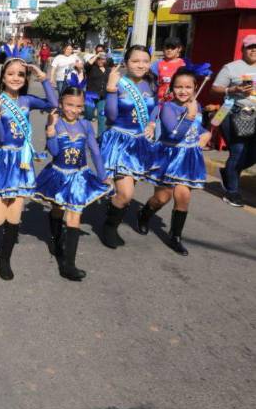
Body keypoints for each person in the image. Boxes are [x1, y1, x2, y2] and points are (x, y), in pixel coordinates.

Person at [0, 58, 56, 280]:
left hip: (21, 161)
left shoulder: (27, 100)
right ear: (2, 77)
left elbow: (53, 104)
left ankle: (4, 259)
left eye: (21, 74)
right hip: (0, 161)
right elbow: (1, 138)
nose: (15, 78)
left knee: (14, 217)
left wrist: (43, 78)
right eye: (11, 73)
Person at [34, 87, 112, 281]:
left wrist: (103, 176)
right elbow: (54, 152)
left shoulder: (85, 124)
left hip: (79, 176)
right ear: (61, 104)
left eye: (78, 106)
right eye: (69, 105)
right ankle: (55, 239)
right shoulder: (55, 122)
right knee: (57, 209)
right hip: (59, 175)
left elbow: (94, 151)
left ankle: (68, 265)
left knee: (74, 216)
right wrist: (50, 131)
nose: (74, 110)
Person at [138, 68, 211, 255]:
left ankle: (175, 237)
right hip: (169, 156)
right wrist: (190, 115)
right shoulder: (168, 108)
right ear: (172, 88)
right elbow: (174, 133)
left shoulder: (196, 104)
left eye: (188, 87)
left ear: (195, 87)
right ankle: (144, 214)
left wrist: (206, 134)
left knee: (183, 196)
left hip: (188, 158)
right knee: (162, 198)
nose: (183, 91)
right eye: (179, 87)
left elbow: (197, 129)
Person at [99, 45, 158, 248]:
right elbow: (111, 116)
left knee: (128, 189)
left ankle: (113, 211)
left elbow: (155, 108)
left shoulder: (151, 84)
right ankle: (109, 227)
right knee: (126, 194)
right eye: (135, 61)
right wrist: (111, 88)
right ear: (126, 62)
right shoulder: (118, 82)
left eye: (145, 61)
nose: (141, 65)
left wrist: (152, 123)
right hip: (120, 142)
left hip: (140, 143)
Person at [211, 35, 256, 208]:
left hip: (254, 115)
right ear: (243, 49)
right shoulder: (231, 68)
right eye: (250, 47)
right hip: (234, 112)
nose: (254, 50)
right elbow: (215, 89)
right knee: (238, 151)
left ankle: (228, 172)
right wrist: (233, 89)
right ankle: (232, 191)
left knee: (252, 154)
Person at [151, 37, 186, 101]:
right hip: (160, 100)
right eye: (167, 47)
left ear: (179, 49)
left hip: (178, 101)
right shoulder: (157, 64)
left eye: (173, 48)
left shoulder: (184, 64)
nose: (169, 50)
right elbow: (151, 83)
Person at [85, 50, 109, 138]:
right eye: (99, 59)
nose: (101, 61)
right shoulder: (91, 68)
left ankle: (100, 137)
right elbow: (87, 64)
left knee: (102, 117)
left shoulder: (108, 70)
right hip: (90, 96)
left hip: (103, 97)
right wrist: (97, 55)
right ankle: (84, 134)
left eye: (103, 59)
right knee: (89, 115)